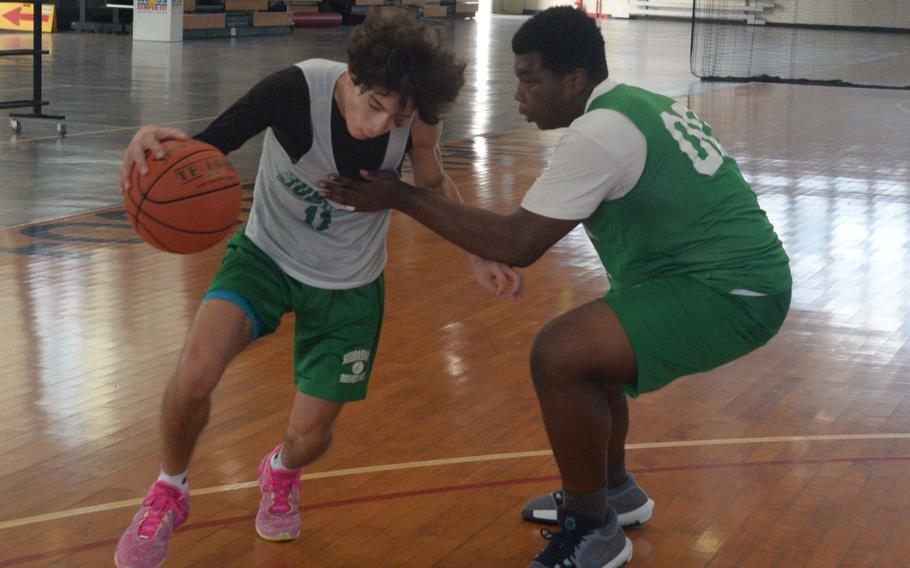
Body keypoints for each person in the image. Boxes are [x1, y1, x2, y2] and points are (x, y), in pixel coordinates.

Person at [319, 6, 792, 567]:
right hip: (728, 277)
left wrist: (400, 196)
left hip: (729, 291)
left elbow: (519, 243)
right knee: (596, 353)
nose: (520, 95)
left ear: (574, 81)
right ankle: (613, 493)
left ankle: (592, 529)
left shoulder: (600, 132)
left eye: (530, 80)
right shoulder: (635, 104)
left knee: (559, 354)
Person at [113, 10, 523, 568]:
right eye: (374, 104)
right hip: (265, 257)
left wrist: (478, 250)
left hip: (349, 283)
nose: (381, 125)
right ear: (351, 76)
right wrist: (150, 139)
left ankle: (282, 471)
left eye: (396, 115)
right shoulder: (294, 89)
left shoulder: (418, 119)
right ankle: (169, 490)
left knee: (312, 438)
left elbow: (432, 185)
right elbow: (207, 147)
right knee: (194, 372)